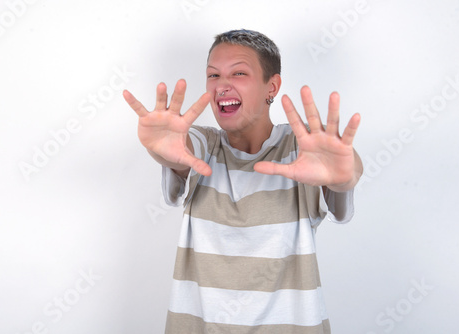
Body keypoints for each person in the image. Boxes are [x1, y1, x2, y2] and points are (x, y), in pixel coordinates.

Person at [123, 29, 363, 334]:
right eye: (213, 75)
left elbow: (344, 174)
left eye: (239, 73)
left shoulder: (299, 146)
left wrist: (344, 175)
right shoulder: (205, 144)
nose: (222, 85)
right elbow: (181, 151)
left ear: (271, 87)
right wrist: (164, 149)